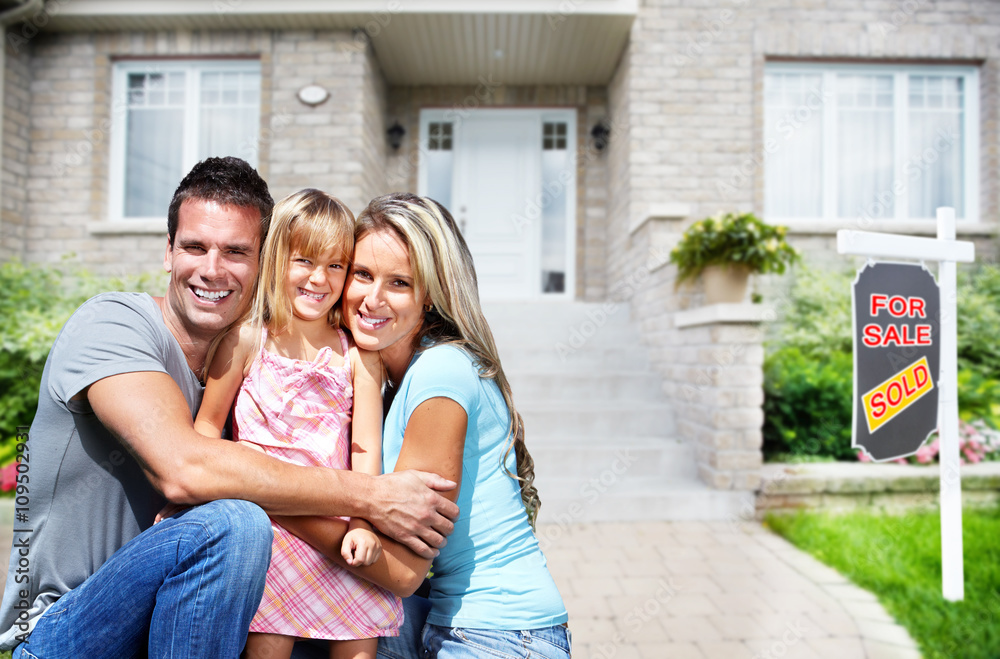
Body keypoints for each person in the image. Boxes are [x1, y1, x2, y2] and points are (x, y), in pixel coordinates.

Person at [0, 160, 457, 658]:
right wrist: (371, 497)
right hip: (65, 630)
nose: (212, 269)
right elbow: (186, 471)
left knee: (409, 623)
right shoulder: (112, 325)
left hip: (176, 619)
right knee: (236, 523)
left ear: (262, 261)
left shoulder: (254, 356)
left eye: (236, 252)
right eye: (195, 247)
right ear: (169, 251)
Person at [278, 193, 571, 659]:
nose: (372, 299)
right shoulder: (385, 381)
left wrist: (267, 499)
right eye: (362, 275)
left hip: (502, 637)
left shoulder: (442, 372)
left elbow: (404, 571)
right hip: (443, 619)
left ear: (429, 295)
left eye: (399, 283)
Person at [176, 188, 401, 659]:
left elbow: (364, 449)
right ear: (277, 258)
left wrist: (363, 522)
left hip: (337, 533)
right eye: (304, 261)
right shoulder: (246, 340)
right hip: (268, 535)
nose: (319, 278)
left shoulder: (356, 356)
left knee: (360, 646)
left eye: (336, 265)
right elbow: (206, 431)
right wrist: (190, 508)